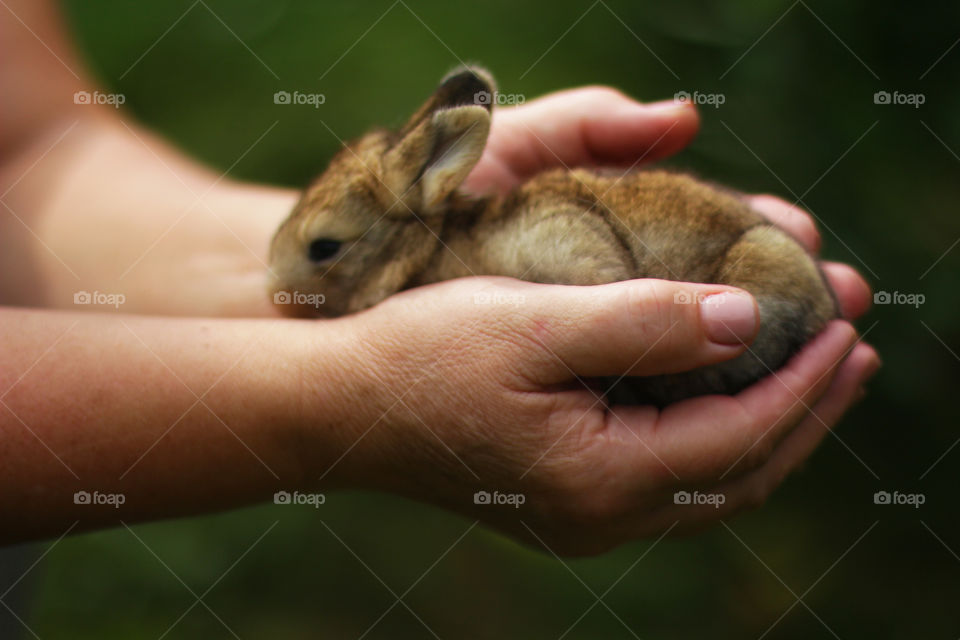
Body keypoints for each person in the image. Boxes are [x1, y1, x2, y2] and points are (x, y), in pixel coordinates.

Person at [0, 0, 878, 555]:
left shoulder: (504, 234)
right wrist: (346, 398)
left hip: (750, 279)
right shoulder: (459, 237)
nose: (293, 283)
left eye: (324, 254)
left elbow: (31, 149)